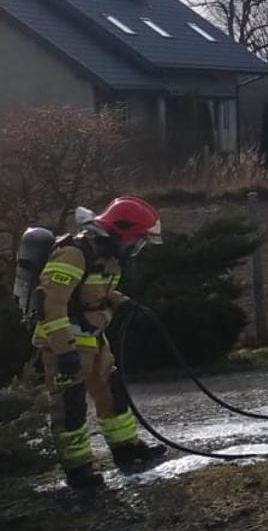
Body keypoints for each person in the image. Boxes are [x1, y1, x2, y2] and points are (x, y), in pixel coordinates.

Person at [34, 196, 169, 489]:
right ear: (121, 233)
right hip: (64, 342)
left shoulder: (107, 258)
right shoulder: (73, 254)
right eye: (137, 241)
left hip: (93, 338)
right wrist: (63, 350)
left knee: (113, 391)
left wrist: (123, 303)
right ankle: (78, 468)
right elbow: (51, 303)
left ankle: (125, 448)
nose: (137, 248)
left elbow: (96, 292)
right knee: (70, 405)